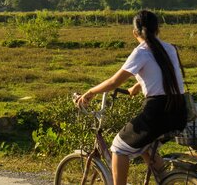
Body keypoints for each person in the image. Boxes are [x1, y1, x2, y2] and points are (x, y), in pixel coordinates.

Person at [75, 10, 187, 185]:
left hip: (157, 112)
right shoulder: (170, 48)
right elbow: (163, 73)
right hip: (179, 110)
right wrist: (138, 85)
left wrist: (90, 92)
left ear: (135, 33)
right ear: (158, 30)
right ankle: (166, 180)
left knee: (119, 148)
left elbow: (113, 82)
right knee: (145, 145)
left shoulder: (141, 52)